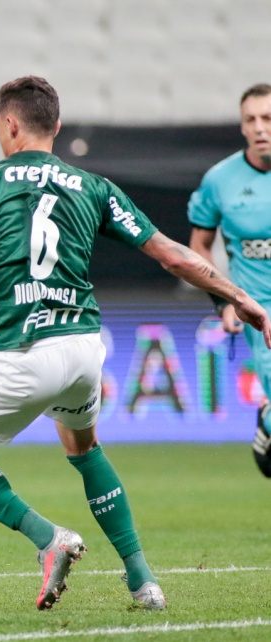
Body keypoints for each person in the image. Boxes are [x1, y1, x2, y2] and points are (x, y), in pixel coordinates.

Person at [0, 76, 271, 612]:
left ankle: (47, 537)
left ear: (9, 124)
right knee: (84, 448)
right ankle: (143, 580)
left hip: (23, 351)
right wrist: (237, 295)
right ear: (56, 127)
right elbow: (174, 255)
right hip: (84, 349)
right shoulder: (94, 186)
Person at [188, 83, 271, 477]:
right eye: (251, 120)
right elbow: (198, 248)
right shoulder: (220, 180)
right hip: (262, 316)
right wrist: (223, 302)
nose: (260, 128)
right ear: (241, 126)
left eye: (268, 118)